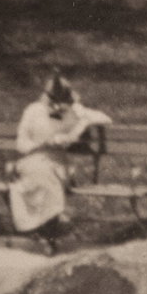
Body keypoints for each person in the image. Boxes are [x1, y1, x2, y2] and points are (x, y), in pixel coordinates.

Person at [11, 73, 112, 252]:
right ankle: (46, 231)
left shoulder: (71, 111)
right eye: (53, 100)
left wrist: (81, 118)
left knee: (45, 176)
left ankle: (45, 232)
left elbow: (105, 119)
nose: (56, 105)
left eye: (61, 100)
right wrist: (43, 143)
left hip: (57, 162)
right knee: (37, 173)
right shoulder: (33, 111)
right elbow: (21, 144)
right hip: (32, 159)